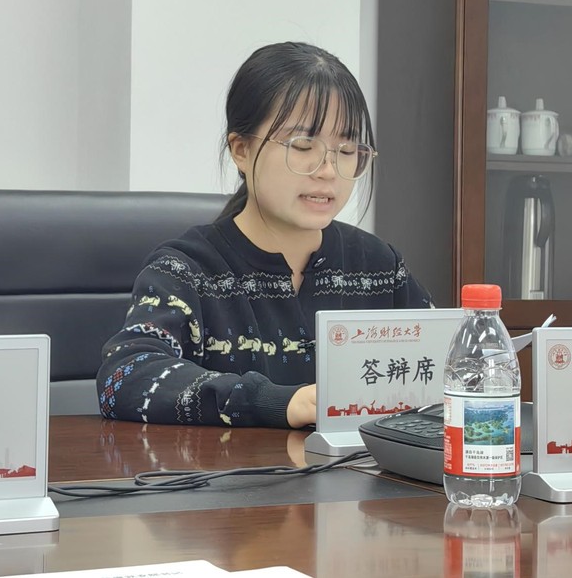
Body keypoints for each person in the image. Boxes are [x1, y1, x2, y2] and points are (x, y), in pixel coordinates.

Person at [97, 42, 432, 429]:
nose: (327, 170)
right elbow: (125, 377)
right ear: (241, 150)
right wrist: (272, 401)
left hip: (360, 468)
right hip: (232, 469)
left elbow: (452, 368)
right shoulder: (187, 272)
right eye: (303, 145)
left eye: (346, 150)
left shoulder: (379, 268)